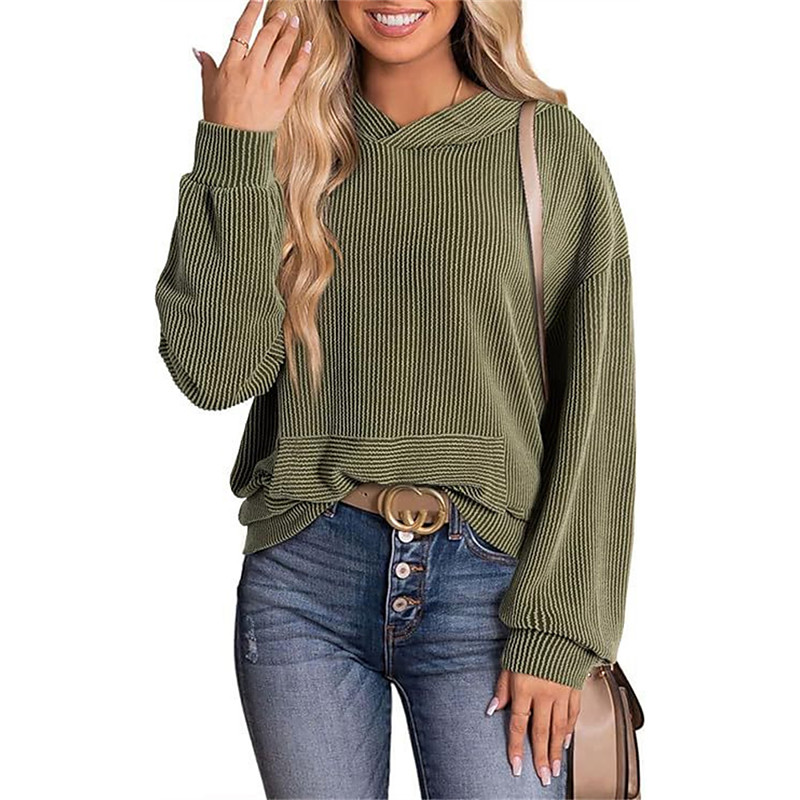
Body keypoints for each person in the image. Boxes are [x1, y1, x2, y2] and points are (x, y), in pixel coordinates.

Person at [153, 1, 637, 797]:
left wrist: (560, 629)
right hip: (302, 580)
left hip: (490, 593)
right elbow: (215, 372)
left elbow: (599, 407)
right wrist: (233, 145)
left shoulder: (547, 148)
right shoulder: (281, 143)